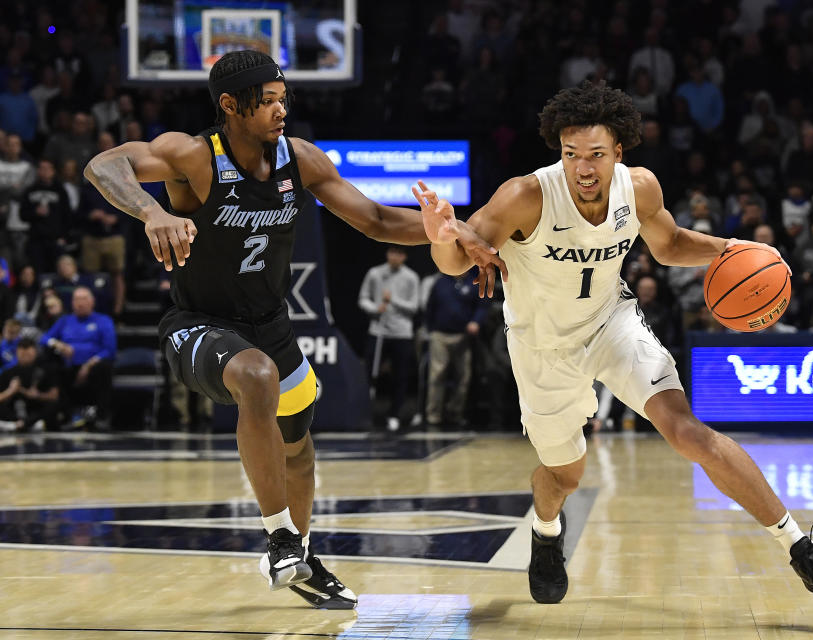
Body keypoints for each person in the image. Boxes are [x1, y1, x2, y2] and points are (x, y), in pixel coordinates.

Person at [414, 82, 813, 605]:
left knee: (688, 434)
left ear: (619, 152)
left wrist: (732, 248)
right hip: (541, 347)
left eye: (596, 155)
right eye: (570, 155)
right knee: (564, 476)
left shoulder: (640, 188)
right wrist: (442, 237)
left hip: (612, 323)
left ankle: (801, 550)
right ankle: (545, 531)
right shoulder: (525, 196)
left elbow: (670, 244)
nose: (583, 168)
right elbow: (457, 261)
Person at [83, 50, 500, 603]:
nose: (282, 111)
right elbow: (103, 165)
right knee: (256, 377)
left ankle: (301, 557)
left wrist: (446, 231)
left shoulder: (299, 157)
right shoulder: (192, 155)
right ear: (231, 105)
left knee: (298, 446)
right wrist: (152, 212)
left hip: (270, 323)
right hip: (199, 322)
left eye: (285, 99)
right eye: (270, 101)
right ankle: (278, 534)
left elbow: (375, 219)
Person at [358, 246, 420, 432]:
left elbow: (414, 306)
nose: (395, 256)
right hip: (378, 331)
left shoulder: (411, 277)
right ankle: (365, 412)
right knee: (370, 372)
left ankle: (394, 414)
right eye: (392, 252)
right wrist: (375, 308)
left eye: (399, 253)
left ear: (404, 257)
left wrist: (392, 300)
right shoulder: (375, 273)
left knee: (400, 376)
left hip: (402, 333)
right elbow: (363, 298)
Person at [423, 267, 489, 427]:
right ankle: (434, 415)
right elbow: (430, 306)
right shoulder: (440, 282)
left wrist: (476, 321)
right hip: (440, 335)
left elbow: (482, 305)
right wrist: (430, 330)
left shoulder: (475, 281)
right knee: (437, 375)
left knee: (463, 377)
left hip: (463, 336)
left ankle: (455, 413)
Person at [41, 287, 116, 429]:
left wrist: (88, 365)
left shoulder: (103, 321)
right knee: (51, 367)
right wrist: (57, 344)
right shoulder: (65, 320)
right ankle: (66, 415)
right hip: (69, 366)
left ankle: (101, 416)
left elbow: (109, 350)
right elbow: (44, 338)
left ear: (92, 302)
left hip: (93, 365)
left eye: (84, 299)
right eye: (76, 299)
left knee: (104, 368)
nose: (80, 303)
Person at [0, 336, 60, 433]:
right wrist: (10, 391)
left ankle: (23, 424)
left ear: (35, 352)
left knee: (52, 406)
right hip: (13, 410)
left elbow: (54, 396)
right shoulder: (8, 372)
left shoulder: (46, 370)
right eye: (22, 353)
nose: (25, 356)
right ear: (17, 352)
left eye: (28, 353)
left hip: (35, 410)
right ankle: (19, 424)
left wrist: (38, 395)